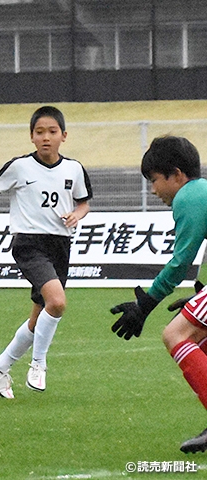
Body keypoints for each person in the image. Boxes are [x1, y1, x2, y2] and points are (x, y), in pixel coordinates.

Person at [0, 105, 92, 399]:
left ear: (64, 135)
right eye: (40, 132)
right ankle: (38, 364)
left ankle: (0, 366)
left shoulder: (74, 169)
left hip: (60, 245)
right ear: (31, 137)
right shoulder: (20, 167)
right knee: (58, 302)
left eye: (52, 132)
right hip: (29, 244)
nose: (46, 138)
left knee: (39, 318)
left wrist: (78, 214)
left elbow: (83, 202)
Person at [110, 135, 207, 454]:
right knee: (200, 338)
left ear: (176, 175)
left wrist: (145, 305)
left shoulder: (189, 196)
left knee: (175, 334)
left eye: (154, 180)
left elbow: (182, 261)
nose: (153, 190)